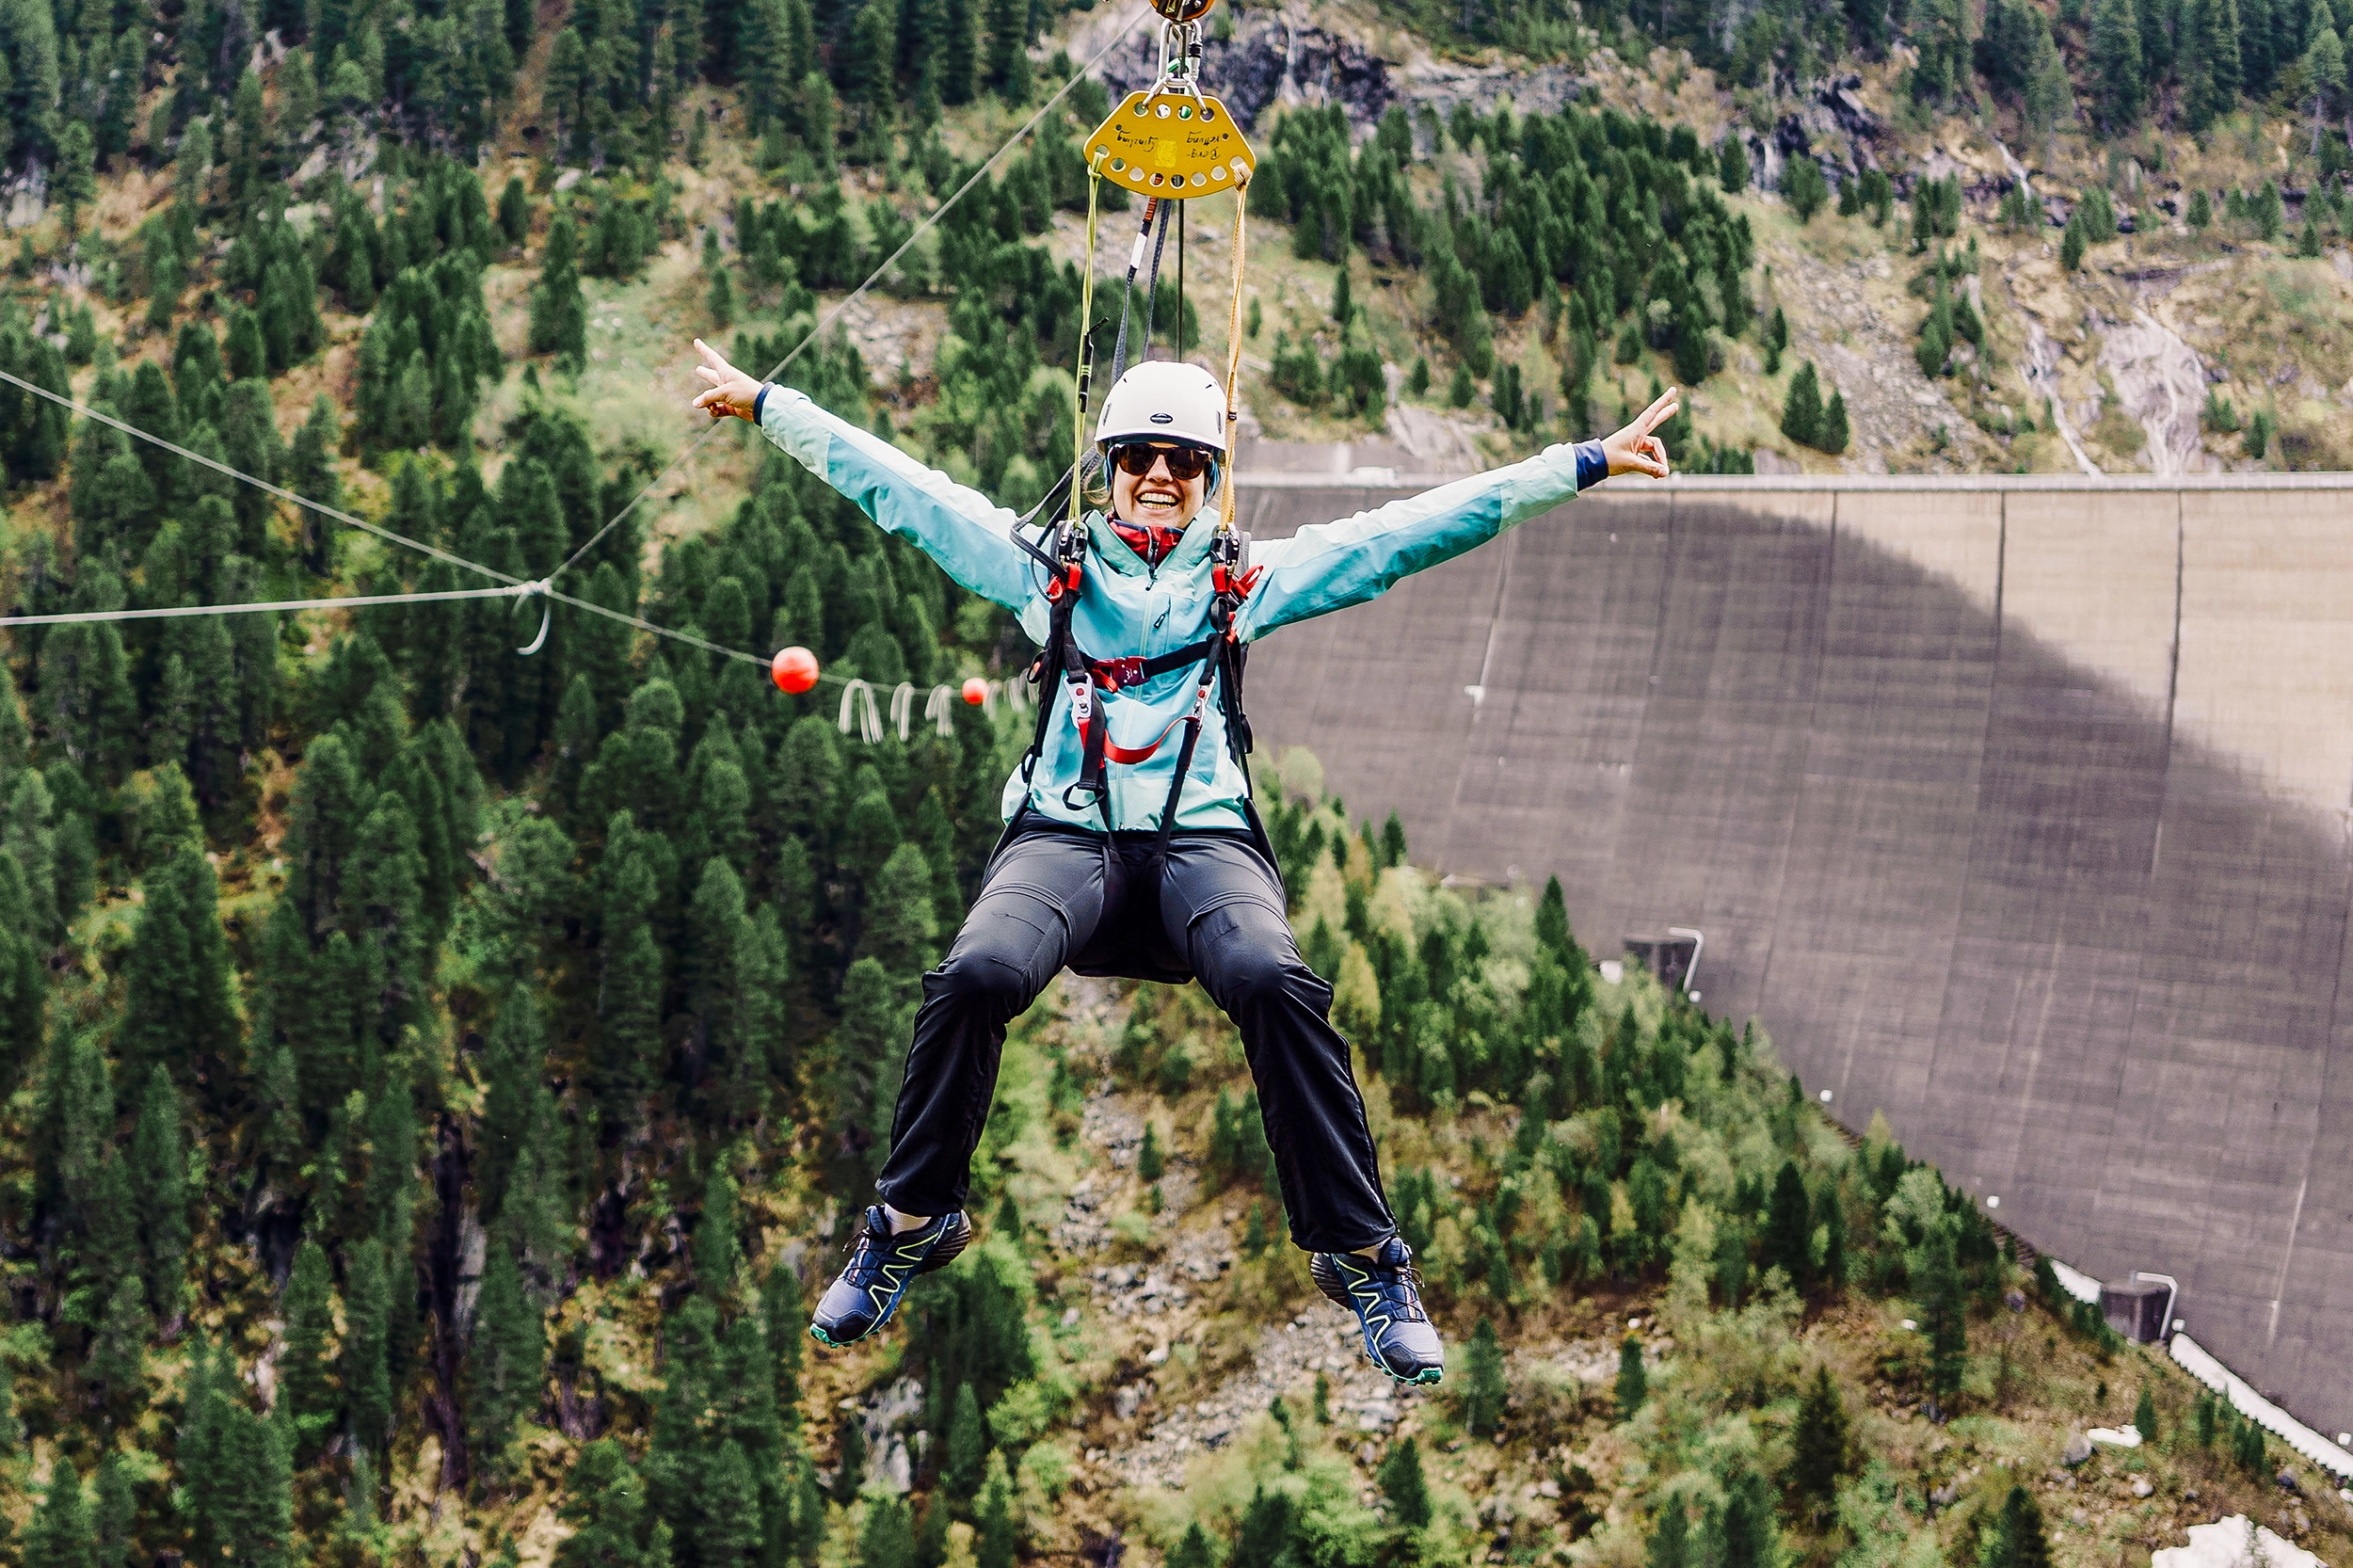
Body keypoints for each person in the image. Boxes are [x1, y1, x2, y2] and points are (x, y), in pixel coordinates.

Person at [692, 337, 1679, 1383]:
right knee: (974, 975)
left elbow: (1414, 530)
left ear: (1210, 478)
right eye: (1138, 457)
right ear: (1107, 468)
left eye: (1185, 461)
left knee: (1273, 979)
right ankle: (907, 1222)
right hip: (1065, 832)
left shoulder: (1243, 581)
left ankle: (1364, 1255)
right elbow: (902, 489)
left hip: (1201, 839)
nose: (1160, 476)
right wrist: (769, 405)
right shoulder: (1049, 573)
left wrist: (1580, 462)